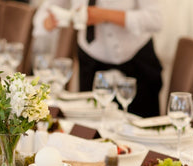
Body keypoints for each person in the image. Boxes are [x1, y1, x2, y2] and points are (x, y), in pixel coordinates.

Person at [34, 0, 163, 118]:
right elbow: (41, 19)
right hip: (91, 63)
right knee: (90, 129)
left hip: (137, 63)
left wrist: (105, 15)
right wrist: (50, 21)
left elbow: (156, 20)